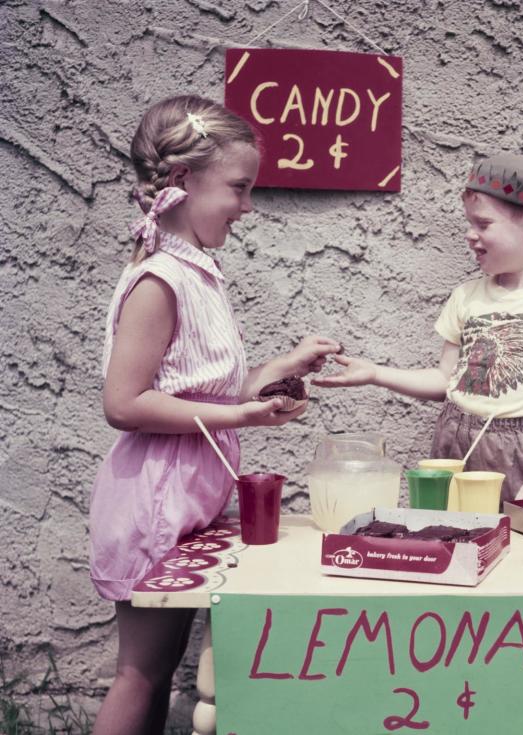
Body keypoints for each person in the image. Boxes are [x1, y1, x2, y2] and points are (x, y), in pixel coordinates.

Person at [88, 95, 340, 734]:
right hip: (153, 501)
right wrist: (243, 420)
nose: (248, 205)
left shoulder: (201, 274)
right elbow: (124, 402)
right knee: (140, 675)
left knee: (165, 665)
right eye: (239, 187)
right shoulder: (160, 281)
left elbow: (207, 389)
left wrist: (284, 366)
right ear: (180, 183)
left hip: (187, 497)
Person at [314, 153, 523, 504]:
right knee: (445, 528)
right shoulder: (466, 297)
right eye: (470, 223)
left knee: (509, 539)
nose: (470, 235)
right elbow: (445, 380)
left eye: (483, 224)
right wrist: (375, 373)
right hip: (452, 438)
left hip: (516, 452)